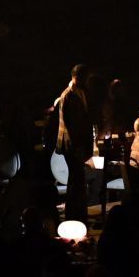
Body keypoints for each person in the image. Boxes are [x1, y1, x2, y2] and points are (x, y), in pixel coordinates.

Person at [50, 65, 93, 225]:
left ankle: (77, 215)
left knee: (77, 181)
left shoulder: (77, 92)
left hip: (76, 144)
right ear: (77, 77)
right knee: (76, 182)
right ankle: (74, 216)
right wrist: (78, 147)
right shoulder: (68, 95)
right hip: (73, 145)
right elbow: (71, 126)